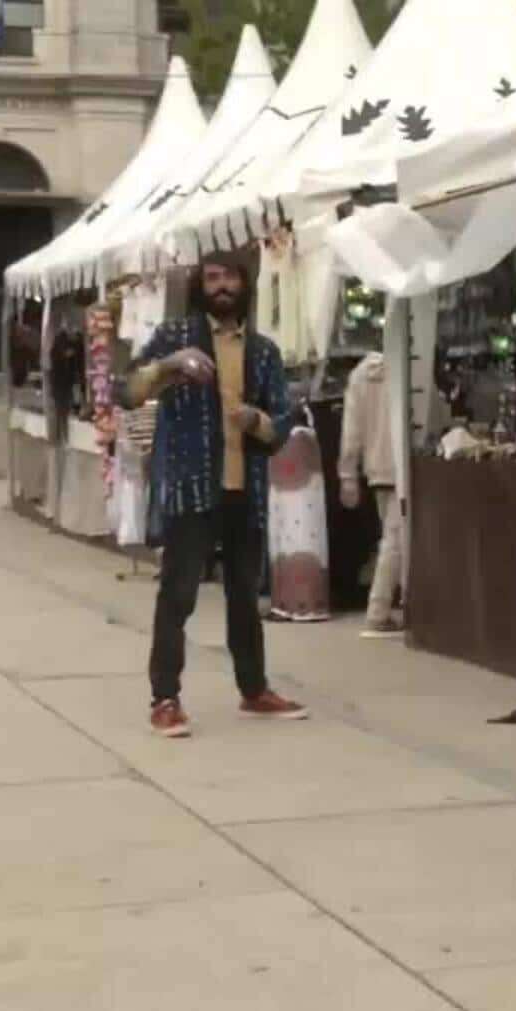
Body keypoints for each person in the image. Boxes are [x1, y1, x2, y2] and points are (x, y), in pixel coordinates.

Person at [120, 253, 308, 738]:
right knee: (178, 594)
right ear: (200, 286)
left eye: (230, 278)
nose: (222, 286)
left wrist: (258, 421)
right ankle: (165, 699)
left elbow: (283, 422)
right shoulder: (176, 338)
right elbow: (127, 390)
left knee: (244, 596)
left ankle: (254, 690)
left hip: (244, 490)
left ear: (245, 285)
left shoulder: (263, 352)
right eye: (213, 278)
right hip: (190, 487)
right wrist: (168, 366)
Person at [338, 351, 405, 637]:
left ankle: (394, 606)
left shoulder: (359, 376)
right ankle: (378, 612)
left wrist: (348, 474)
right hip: (403, 463)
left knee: (392, 538)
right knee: (396, 541)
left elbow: (350, 431)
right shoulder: (406, 368)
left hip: (377, 468)